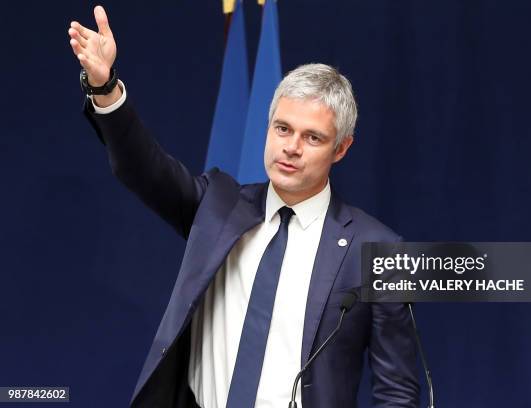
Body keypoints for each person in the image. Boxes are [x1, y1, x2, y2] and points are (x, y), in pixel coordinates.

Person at [68, 5, 420, 408]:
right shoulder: (218, 205)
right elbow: (142, 167)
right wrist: (105, 88)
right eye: (282, 128)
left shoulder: (378, 250)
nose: (291, 147)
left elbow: (397, 390)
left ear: (342, 148)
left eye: (313, 138)